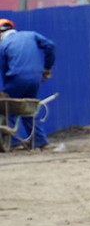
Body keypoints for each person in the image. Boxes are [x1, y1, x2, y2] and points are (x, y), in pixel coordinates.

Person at [0, 19, 56, 150]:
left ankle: (13, 142)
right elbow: (50, 46)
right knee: (28, 109)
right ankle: (40, 141)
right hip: (36, 78)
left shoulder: (3, 46)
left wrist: (5, 90)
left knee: (7, 108)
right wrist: (47, 68)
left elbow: (3, 70)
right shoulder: (31, 35)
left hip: (17, 78)